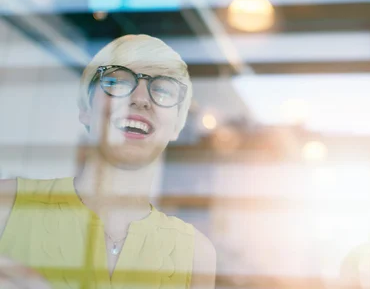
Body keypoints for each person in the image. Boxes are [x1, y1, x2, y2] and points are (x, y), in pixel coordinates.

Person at [0, 35, 216, 288]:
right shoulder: (7, 205)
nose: (140, 99)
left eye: (162, 89)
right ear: (86, 109)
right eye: (116, 82)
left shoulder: (195, 255)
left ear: (176, 127)